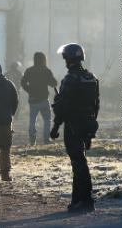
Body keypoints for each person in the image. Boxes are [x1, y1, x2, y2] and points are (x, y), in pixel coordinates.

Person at [50, 43, 99, 213]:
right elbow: (96, 105)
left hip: (72, 125)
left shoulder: (70, 78)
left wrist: (56, 126)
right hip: (87, 124)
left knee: (78, 162)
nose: (64, 61)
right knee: (79, 160)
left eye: (65, 58)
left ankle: (86, 200)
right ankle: (77, 199)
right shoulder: (91, 77)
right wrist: (91, 126)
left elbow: (63, 106)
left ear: (69, 59)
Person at [21, 52, 57, 145]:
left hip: (33, 99)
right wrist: (54, 80)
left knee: (32, 120)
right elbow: (53, 83)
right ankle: (46, 139)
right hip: (44, 99)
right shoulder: (46, 70)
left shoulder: (29, 71)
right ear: (44, 59)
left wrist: (29, 90)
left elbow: (23, 82)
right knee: (47, 120)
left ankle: (32, 140)